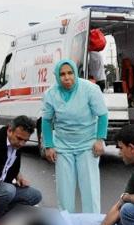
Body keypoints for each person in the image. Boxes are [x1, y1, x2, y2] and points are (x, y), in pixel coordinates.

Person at [42, 59, 108, 214]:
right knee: (64, 193)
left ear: (75, 73)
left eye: (70, 73)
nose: (67, 77)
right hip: (63, 146)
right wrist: (49, 145)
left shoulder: (90, 89)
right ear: (57, 76)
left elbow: (103, 115)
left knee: (90, 191)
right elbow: (46, 121)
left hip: (87, 145)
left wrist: (100, 139)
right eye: (62, 74)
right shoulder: (51, 94)